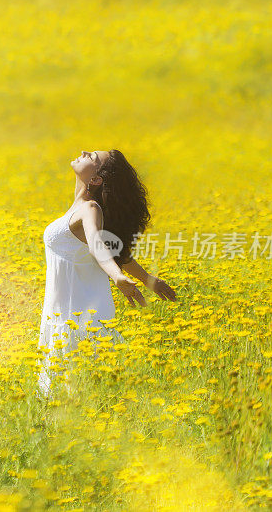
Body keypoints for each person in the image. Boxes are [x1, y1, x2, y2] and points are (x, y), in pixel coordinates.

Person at [37, 149, 178, 400]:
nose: (83, 152)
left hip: (77, 313)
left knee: (76, 387)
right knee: (74, 386)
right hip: (64, 310)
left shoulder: (90, 209)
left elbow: (96, 244)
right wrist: (148, 280)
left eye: (92, 157)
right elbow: (117, 252)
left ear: (96, 180)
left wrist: (116, 277)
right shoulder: (81, 208)